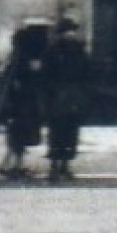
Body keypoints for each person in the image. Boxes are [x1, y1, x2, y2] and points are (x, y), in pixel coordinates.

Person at [41, 18, 91, 183]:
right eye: (67, 31)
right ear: (61, 34)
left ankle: (66, 165)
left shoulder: (79, 50)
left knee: (71, 131)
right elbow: (46, 74)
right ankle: (54, 166)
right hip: (57, 96)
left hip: (74, 96)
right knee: (57, 132)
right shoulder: (53, 51)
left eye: (72, 31)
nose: (71, 34)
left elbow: (86, 72)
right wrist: (50, 93)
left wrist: (83, 93)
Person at [0, 26, 47, 179]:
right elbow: (22, 83)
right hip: (22, 105)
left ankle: (13, 165)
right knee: (18, 137)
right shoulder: (23, 61)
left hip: (17, 104)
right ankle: (9, 165)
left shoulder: (15, 58)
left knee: (16, 137)